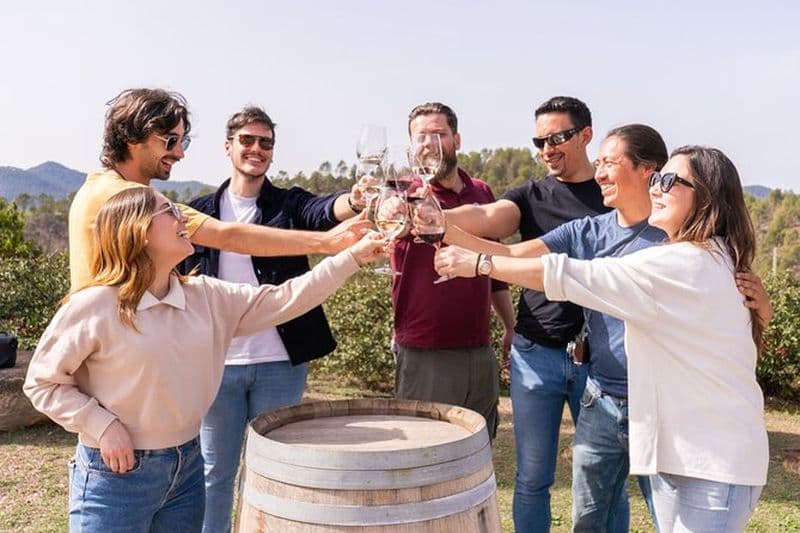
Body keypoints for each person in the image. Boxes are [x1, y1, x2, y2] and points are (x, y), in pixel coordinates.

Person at [435, 145, 770, 532]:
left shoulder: (683, 264)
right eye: (658, 179)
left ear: (706, 197)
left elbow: (571, 276)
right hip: (690, 456)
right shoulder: (712, 255)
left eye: (669, 180)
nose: (657, 188)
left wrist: (480, 265)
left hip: (710, 467)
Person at [24, 187, 385, 531]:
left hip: (188, 470)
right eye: (170, 211)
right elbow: (42, 382)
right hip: (116, 476)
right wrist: (100, 425)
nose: (184, 218)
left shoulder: (206, 296)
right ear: (138, 231)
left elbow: (284, 299)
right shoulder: (96, 305)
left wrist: (351, 257)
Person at [181, 106, 365, 533]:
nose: (256, 149)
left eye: (266, 142)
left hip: (281, 364)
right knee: (214, 471)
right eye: (247, 140)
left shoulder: (289, 204)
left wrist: (354, 200)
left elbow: (324, 211)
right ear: (228, 146)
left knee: (271, 469)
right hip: (217, 364)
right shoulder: (198, 213)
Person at [444, 96, 611, 531]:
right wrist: (434, 216)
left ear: (586, 135)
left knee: (602, 480)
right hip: (535, 354)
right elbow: (485, 216)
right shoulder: (531, 196)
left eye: (557, 138)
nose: (546, 149)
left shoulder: (613, 195)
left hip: (601, 357)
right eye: (539, 141)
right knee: (533, 477)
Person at [68, 88, 368, 290]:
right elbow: (228, 235)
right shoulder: (129, 198)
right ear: (134, 137)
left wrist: (351, 204)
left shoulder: (94, 188)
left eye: (183, 142)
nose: (180, 153)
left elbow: (317, 209)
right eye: (170, 141)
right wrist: (326, 243)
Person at [391, 102, 515, 438]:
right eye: (421, 137)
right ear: (411, 147)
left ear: (456, 140)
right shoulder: (404, 194)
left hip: (479, 347)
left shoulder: (482, 192)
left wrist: (508, 325)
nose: (429, 143)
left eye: (439, 134)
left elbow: (496, 268)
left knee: (478, 449)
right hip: (425, 351)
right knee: (424, 450)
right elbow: (387, 219)